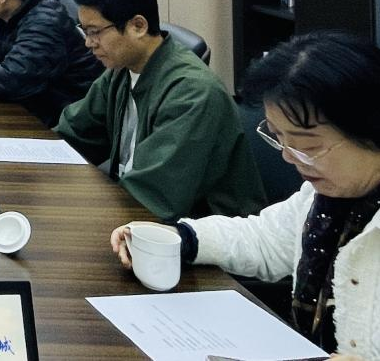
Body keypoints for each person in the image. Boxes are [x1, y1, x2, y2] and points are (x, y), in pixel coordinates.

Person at [110, 32, 380, 359]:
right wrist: (183, 237)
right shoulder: (323, 197)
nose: (289, 157)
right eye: (279, 138)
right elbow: (265, 239)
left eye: (308, 146)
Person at [56, 0, 265, 219]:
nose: (89, 43)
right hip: (137, 213)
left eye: (95, 32)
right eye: (85, 31)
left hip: (199, 230)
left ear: (138, 26)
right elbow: (74, 133)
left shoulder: (192, 93)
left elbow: (154, 197)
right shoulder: (122, 70)